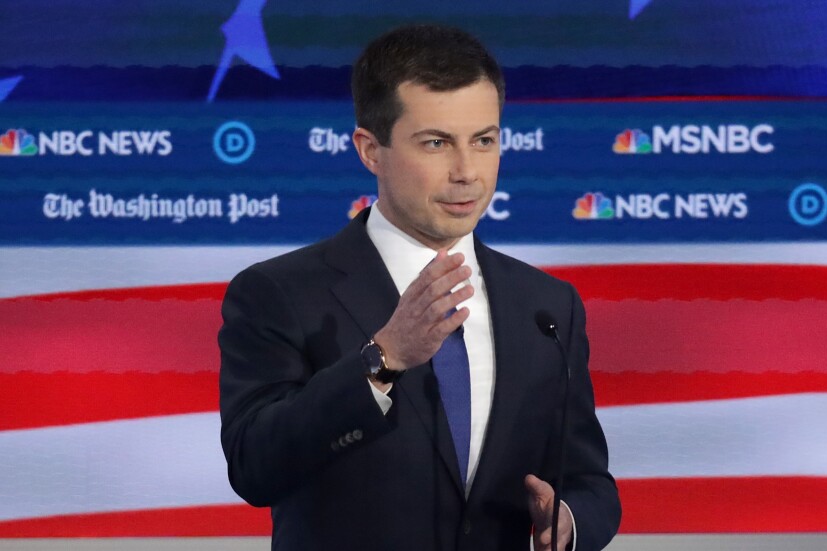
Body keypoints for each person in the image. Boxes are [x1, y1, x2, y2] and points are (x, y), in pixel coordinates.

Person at [218, 24, 621, 551]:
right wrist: (382, 360)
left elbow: (588, 481)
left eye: (483, 141)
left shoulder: (546, 307)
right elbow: (255, 468)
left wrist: (566, 521)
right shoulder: (279, 293)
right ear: (370, 150)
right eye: (435, 143)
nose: (467, 172)